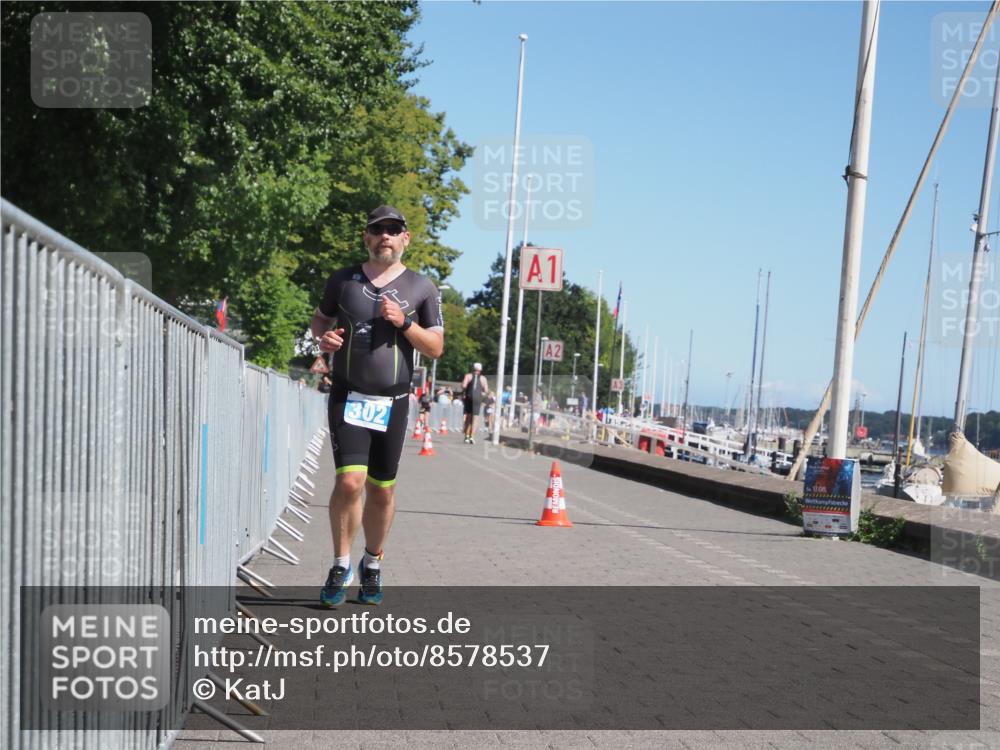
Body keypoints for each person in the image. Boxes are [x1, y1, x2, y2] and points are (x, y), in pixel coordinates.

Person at [311, 205, 444, 607]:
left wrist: (405, 323)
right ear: (366, 237)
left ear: (406, 238)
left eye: (393, 229)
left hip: (394, 402)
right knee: (349, 481)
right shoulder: (343, 280)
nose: (385, 235)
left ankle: (372, 563)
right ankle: (340, 563)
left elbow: (436, 348)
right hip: (348, 394)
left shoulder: (422, 288)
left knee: (381, 490)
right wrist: (325, 340)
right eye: (377, 229)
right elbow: (320, 321)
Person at [461, 363, 488, 444]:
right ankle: (472, 437)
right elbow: (486, 390)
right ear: (480, 370)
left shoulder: (468, 376)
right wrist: (482, 393)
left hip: (469, 397)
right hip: (477, 399)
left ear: (473, 368)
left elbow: (464, 385)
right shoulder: (483, 378)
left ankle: (466, 436)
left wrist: (464, 387)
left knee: (468, 417)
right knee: (475, 418)